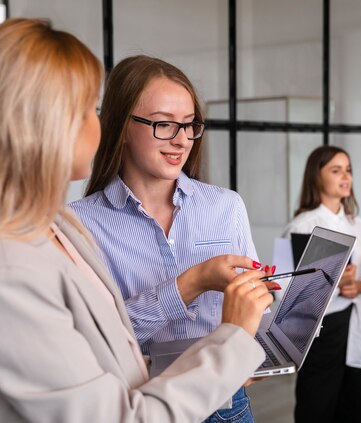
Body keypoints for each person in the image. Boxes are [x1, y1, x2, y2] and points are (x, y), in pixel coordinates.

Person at [0, 18, 275, 423]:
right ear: (39, 122)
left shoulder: (56, 230)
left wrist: (250, 336)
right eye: (87, 108)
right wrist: (231, 342)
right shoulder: (1, 272)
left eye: (188, 125)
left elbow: (109, 344)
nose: (97, 124)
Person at [68, 55, 270, 423]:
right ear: (121, 127)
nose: (181, 140)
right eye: (163, 124)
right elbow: (98, 341)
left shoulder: (225, 206)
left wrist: (257, 335)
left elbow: (257, 304)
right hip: (138, 406)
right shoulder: (79, 225)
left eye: (190, 125)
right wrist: (190, 284)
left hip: (226, 403)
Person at [282, 145, 361, 423]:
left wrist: (359, 286)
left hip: (358, 326)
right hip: (322, 332)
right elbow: (287, 296)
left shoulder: (359, 225)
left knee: (355, 407)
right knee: (316, 408)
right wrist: (336, 284)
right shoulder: (302, 227)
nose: (345, 176)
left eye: (348, 170)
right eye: (336, 170)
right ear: (316, 177)